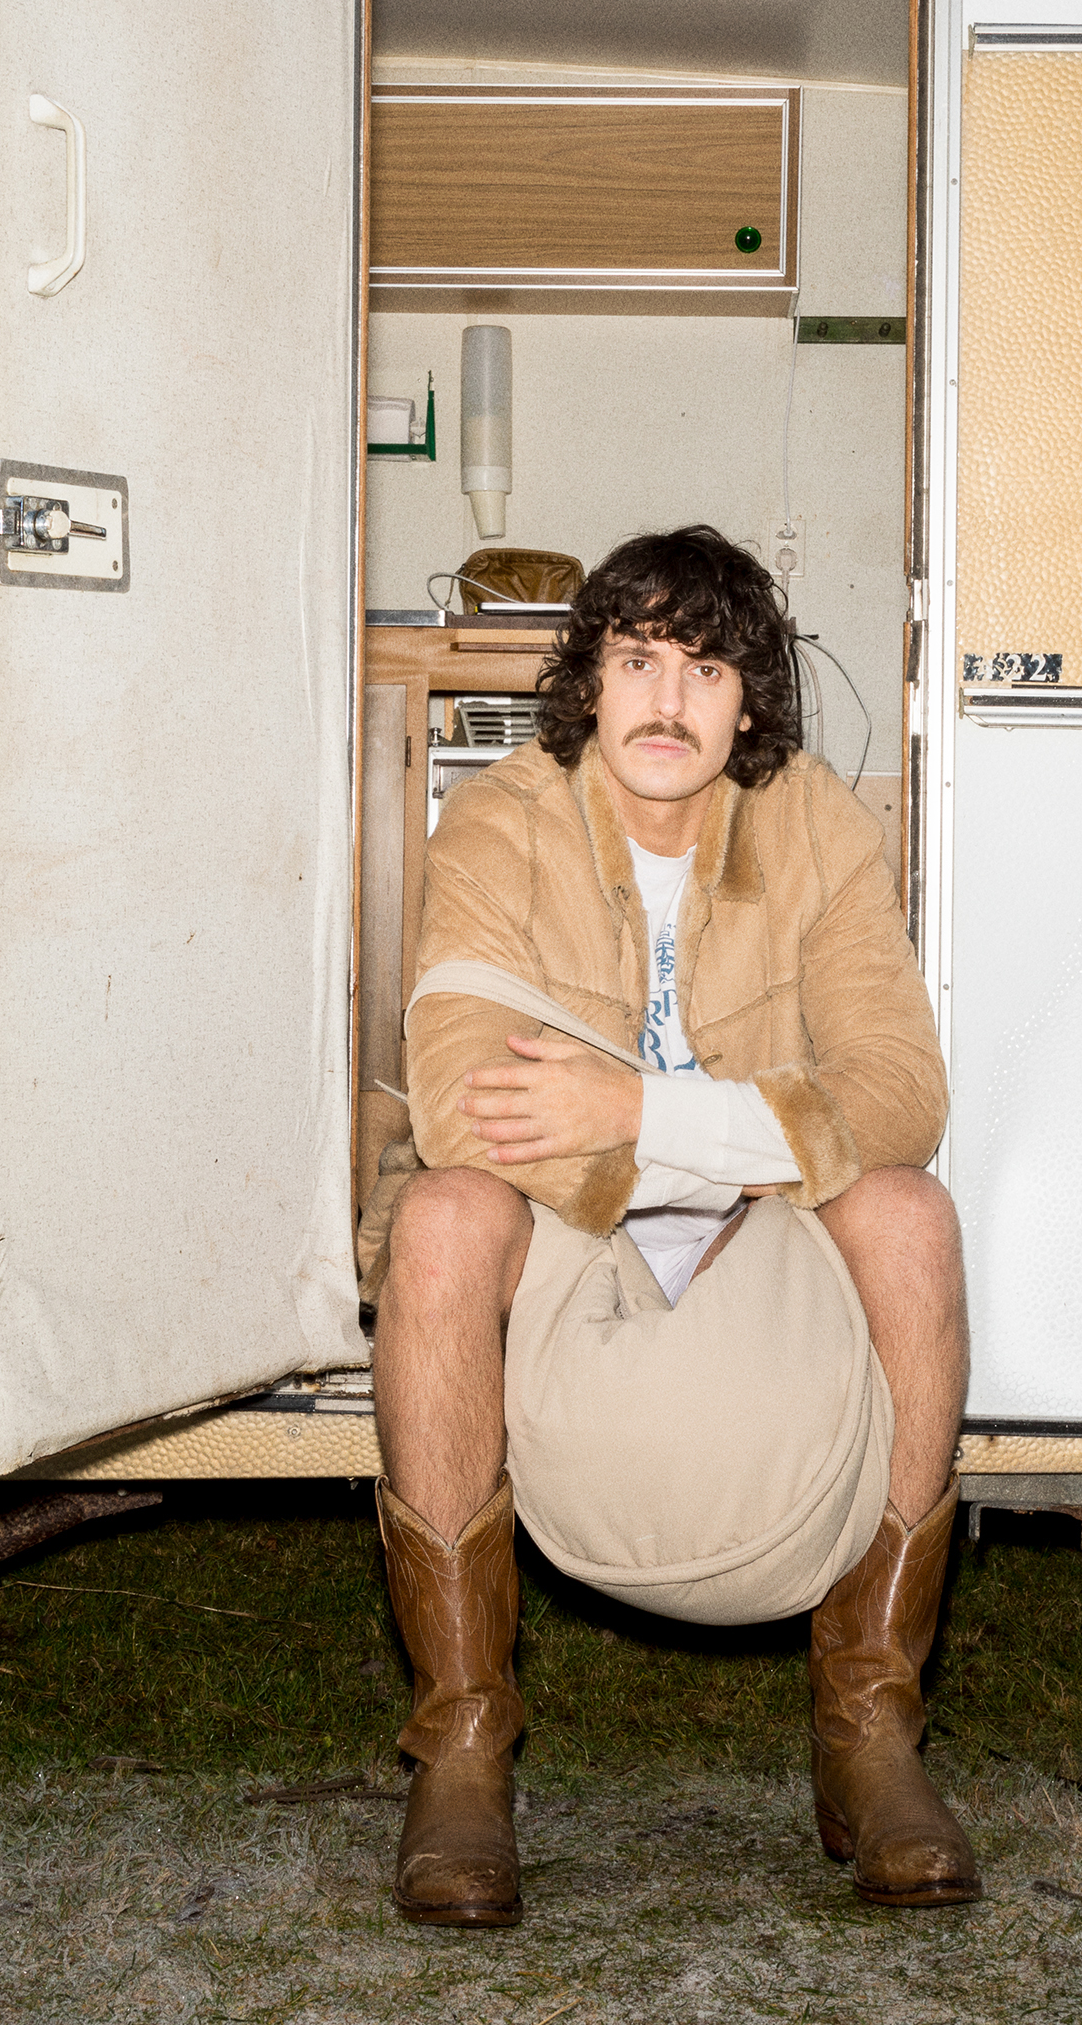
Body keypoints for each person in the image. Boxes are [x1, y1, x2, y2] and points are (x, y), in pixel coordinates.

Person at [364, 525, 973, 1926]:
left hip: (754, 1212)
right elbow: (461, 1099)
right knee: (442, 1218)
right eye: (638, 659)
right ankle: (461, 1749)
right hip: (565, 1215)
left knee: (912, 1216)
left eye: (706, 669)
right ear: (590, 679)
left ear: (748, 703)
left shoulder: (817, 823)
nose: (666, 700)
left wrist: (640, 1111)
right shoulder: (502, 820)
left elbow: (901, 1092)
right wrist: (712, 1140)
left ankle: (869, 1731)